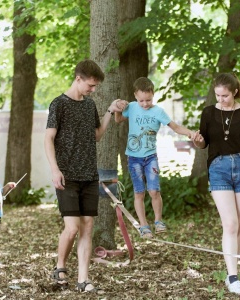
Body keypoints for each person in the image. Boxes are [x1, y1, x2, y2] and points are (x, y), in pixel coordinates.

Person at [44, 59, 127, 293]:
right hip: (66, 175)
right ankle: (60, 265)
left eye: (95, 86)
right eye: (90, 85)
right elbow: (48, 138)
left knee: (87, 226)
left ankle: (83, 279)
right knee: (71, 228)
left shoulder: (89, 106)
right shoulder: (58, 104)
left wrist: (110, 111)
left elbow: (97, 135)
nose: (93, 90)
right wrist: (54, 169)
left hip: (89, 175)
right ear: (78, 79)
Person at [192, 73, 240, 295]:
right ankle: (233, 277)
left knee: (239, 224)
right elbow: (204, 142)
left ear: (234, 92)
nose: (221, 99)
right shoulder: (208, 112)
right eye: (217, 95)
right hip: (219, 168)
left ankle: (233, 271)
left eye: (225, 95)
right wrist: (197, 142)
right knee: (231, 224)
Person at [115, 77, 194, 239]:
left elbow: (175, 127)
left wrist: (190, 133)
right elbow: (118, 119)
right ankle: (144, 225)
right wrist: (117, 108)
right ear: (135, 95)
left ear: (153, 95)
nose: (145, 104)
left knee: (154, 191)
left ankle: (158, 221)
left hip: (151, 157)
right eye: (142, 100)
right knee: (139, 192)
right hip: (133, 157)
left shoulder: (158, 111)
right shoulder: (131, 107)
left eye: (148, 100)